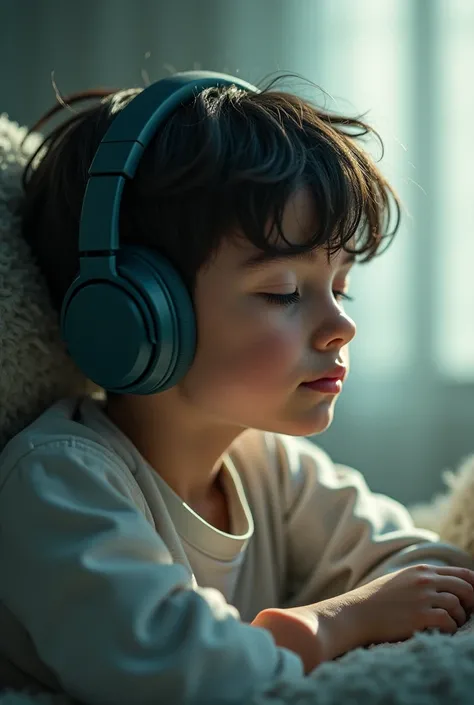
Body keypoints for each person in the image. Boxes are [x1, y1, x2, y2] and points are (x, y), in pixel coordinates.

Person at [0, 71, 473, 705]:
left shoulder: (270, 465)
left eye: (341, 286)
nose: (341, 326)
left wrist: (392, 599)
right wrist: (337, 620)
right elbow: (187, 674)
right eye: (284, 292)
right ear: (134, 314)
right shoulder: (57, 480)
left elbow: (435, 570)